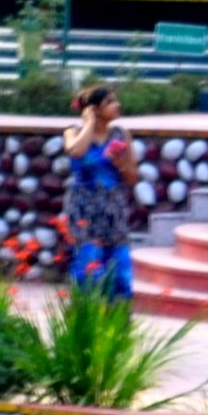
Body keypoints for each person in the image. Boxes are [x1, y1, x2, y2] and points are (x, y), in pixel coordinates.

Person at [59, 85, 139, 299]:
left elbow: (132, 178)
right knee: (89, 270)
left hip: (114, 207)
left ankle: (118, 325)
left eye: (116, 100)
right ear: (94, 109)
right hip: (85, 207)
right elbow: (76, 151)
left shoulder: (121, 135)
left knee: (119, 270)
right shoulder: (73, 132)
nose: (117, 105)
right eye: (110, 102)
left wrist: (121, 163)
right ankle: (87, 323)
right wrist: (90, 124)